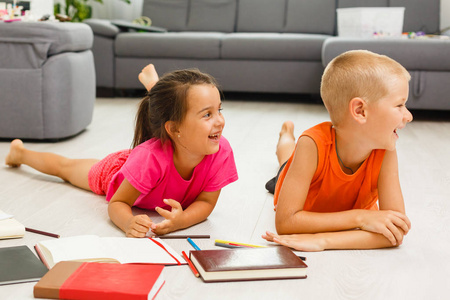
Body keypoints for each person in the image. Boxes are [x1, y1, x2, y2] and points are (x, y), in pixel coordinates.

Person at [5, 64, 238, 238]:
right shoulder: (150, 159)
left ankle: (155, 89)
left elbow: (207, 202)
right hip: (119, 170)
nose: (219, 121)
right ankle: (20, 153)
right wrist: (128, 223)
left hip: (150, 158)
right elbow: (117, 203)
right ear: (174, 129)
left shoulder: (221, 150)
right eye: (207, 114)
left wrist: (182, 220)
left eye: (219, 110)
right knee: (65, 168)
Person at [262, 50, 412, 251]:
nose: (408, 116)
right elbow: (286, 223)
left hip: (323, 200)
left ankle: (287, 137)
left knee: (289, 159)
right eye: (400, 105)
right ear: (360, 111)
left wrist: (322, 241)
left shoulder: (386, 151)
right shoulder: (311, 145)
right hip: (302, 177)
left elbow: (395, 231)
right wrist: (360, 217)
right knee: (286, 162)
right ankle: (286, 135)